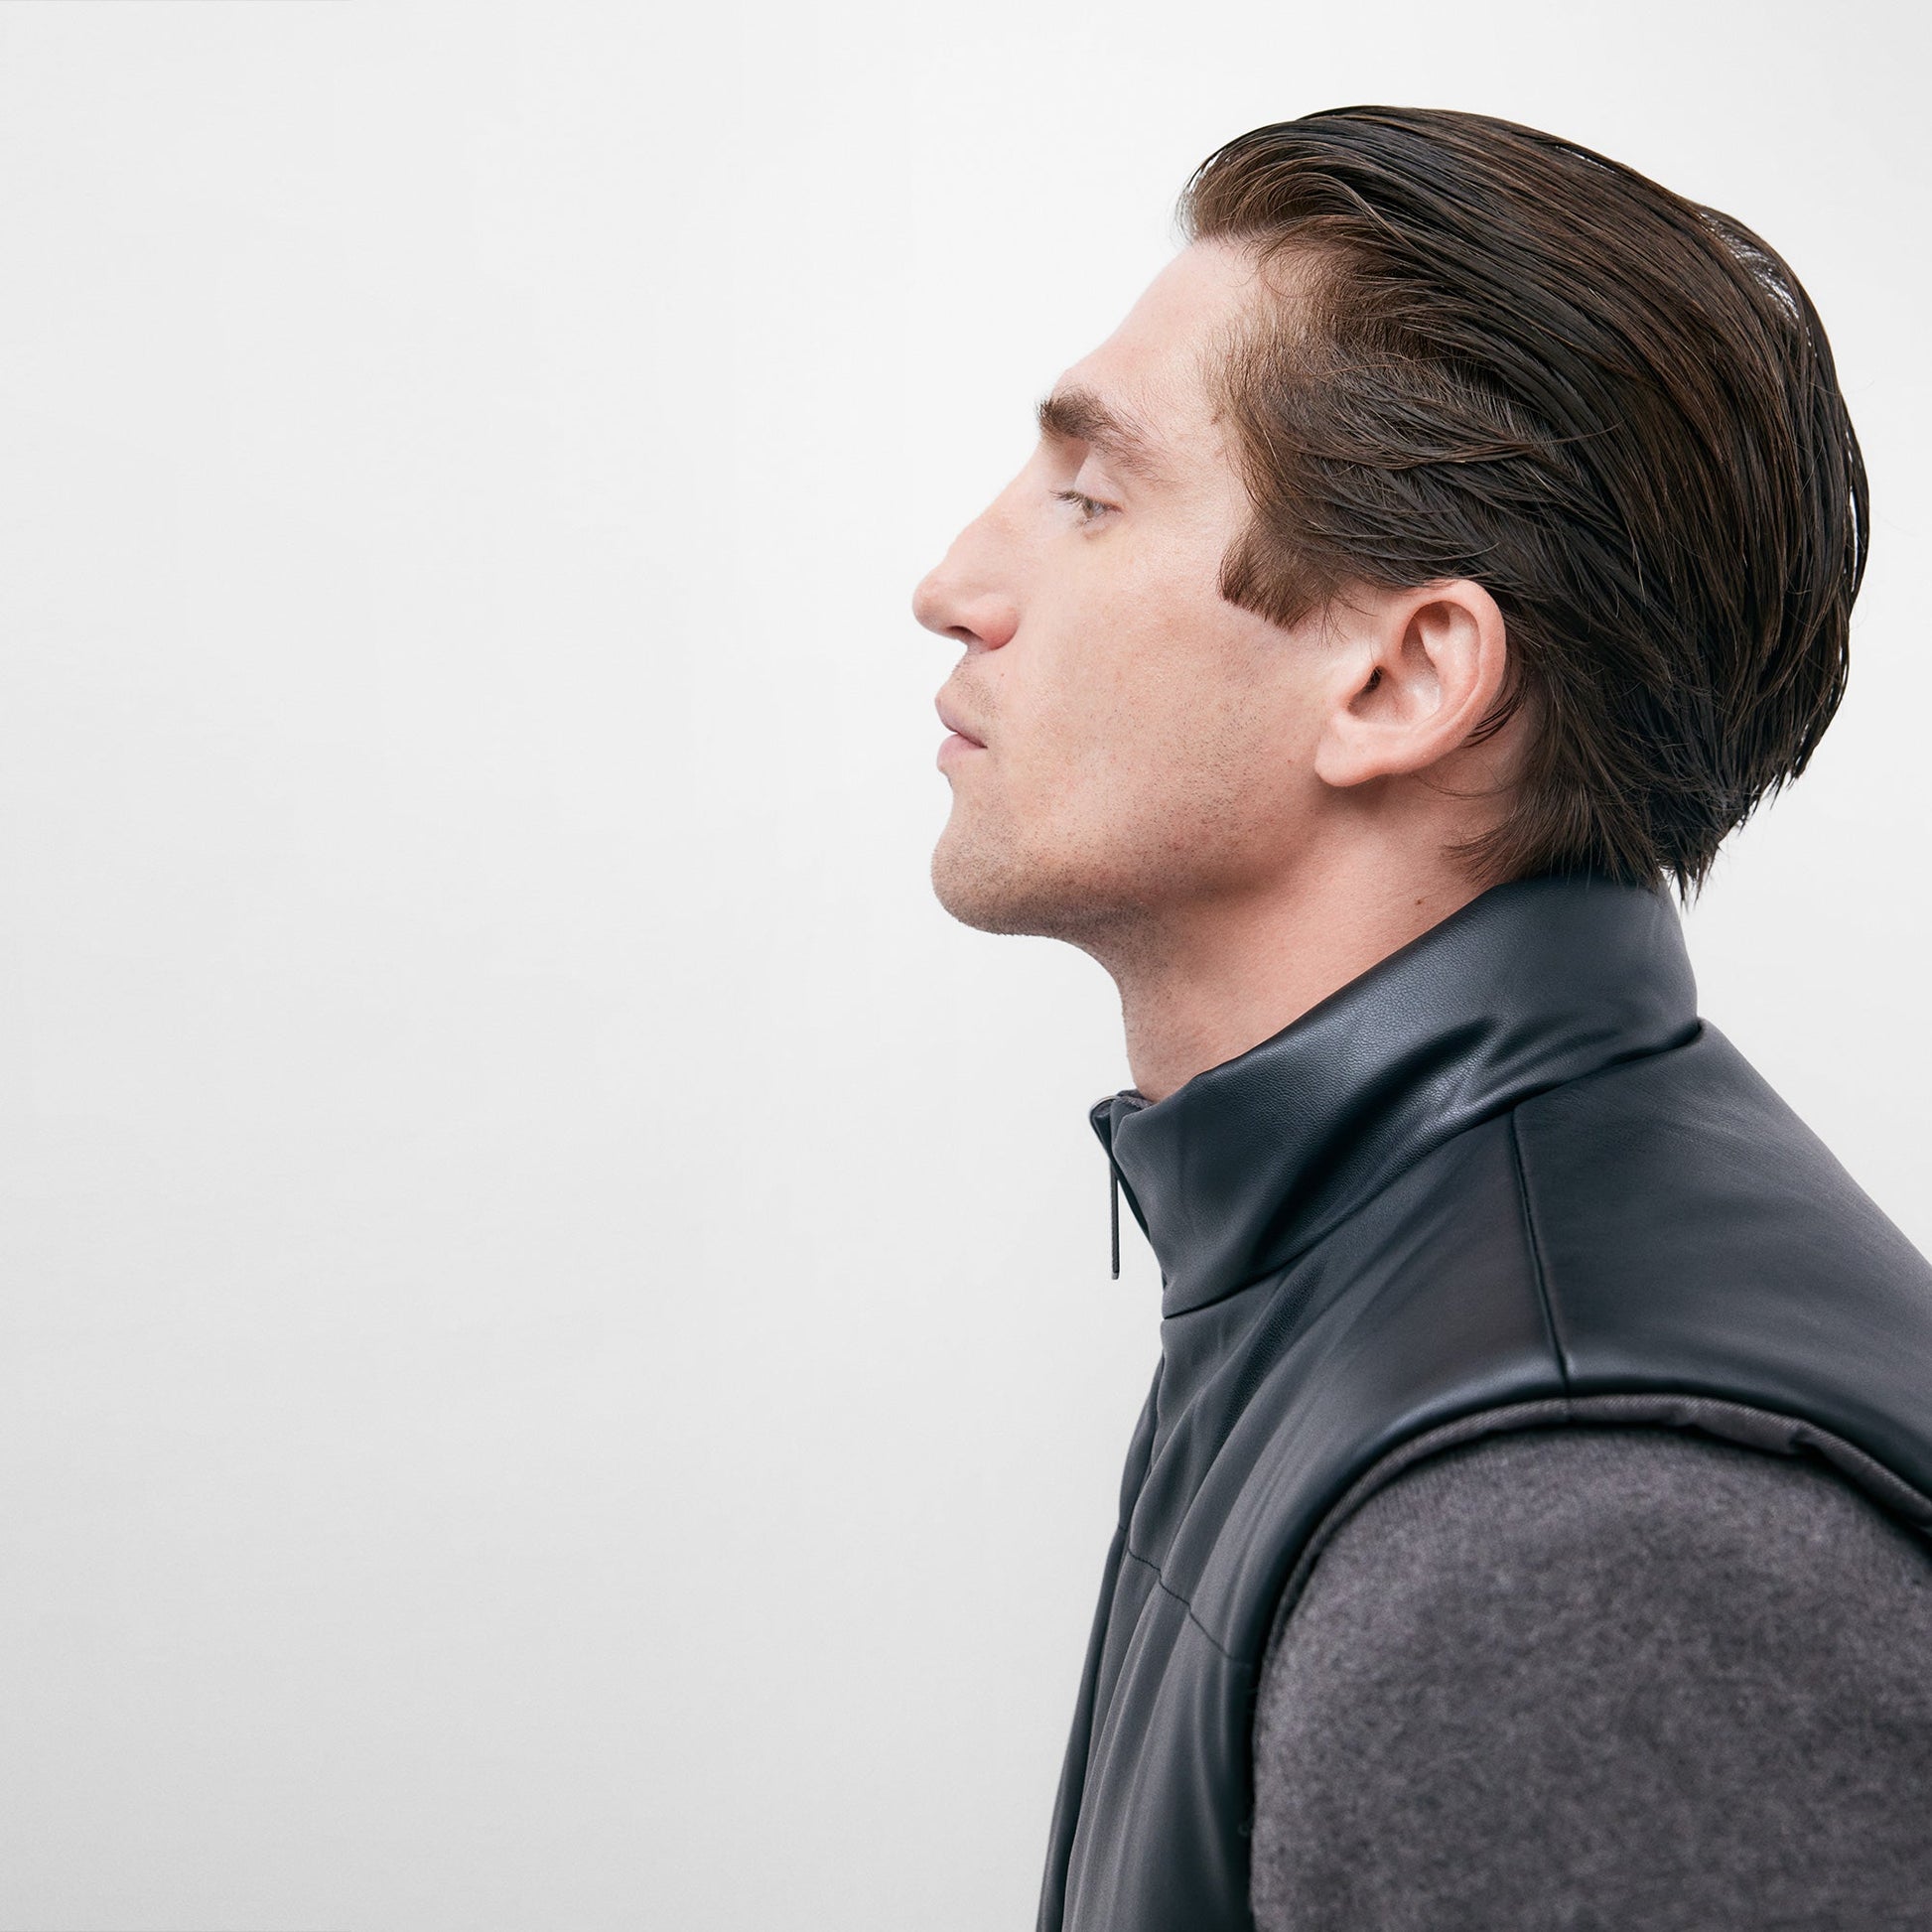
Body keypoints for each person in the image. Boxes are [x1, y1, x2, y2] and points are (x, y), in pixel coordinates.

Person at [910, 106, 1932, 1932]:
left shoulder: (1573, 1540)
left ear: (1400, 676)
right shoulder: (1372, 1270)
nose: (956, 589)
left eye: (1088, 496)